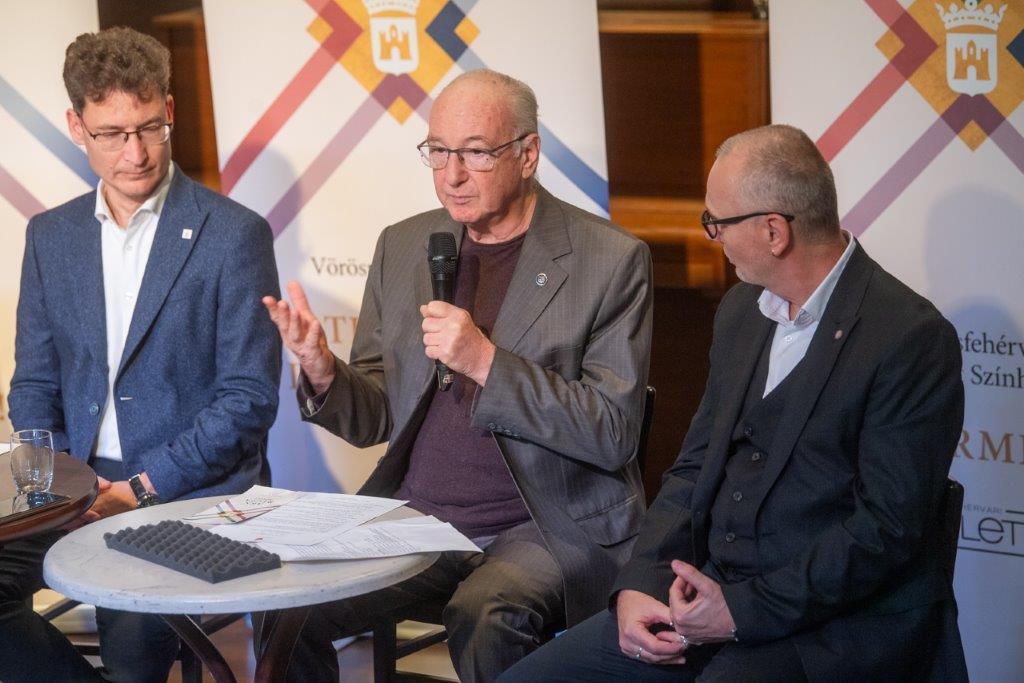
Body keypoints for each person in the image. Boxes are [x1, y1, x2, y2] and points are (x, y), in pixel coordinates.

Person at [501, 124, 968, 682]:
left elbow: (885, 530)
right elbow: (694, 467)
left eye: (716, 222)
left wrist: (740, 612)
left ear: (773, 231)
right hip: (710, 600)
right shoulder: (742, 311)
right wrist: (640, 584)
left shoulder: (909, 338)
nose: (712, 237)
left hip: (831, 629)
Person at [263, 68, 652, 681]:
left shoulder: (609, 259)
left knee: (487, 612)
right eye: (438, 151)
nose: (452, 174)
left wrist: (486, 363)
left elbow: (612, 431)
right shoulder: (404, 245)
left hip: (545, 522)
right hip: (419, 518)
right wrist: (322, 371)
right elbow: (376, 417)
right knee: (286, 603)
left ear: (527, 154)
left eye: (475, 152)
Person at [0, 27, 281, 682]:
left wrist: (141, 488)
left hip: (185, 491)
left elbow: (248, 399)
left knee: (130, 640)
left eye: (150, 127)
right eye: (112, 134)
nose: (136, 152)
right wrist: (66, 486)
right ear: (76, 126)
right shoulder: (51, 235)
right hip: (73, 486)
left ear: (169, 111)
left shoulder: (233, 234)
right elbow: (34, 383)